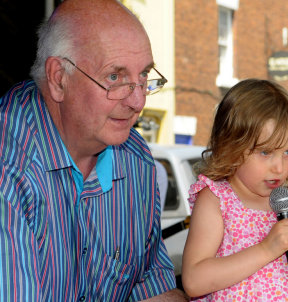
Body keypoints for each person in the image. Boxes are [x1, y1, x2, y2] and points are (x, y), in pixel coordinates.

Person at [0, 0, 188, 301]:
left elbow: (153, 288)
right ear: (59, 78)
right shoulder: (9, 166)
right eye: (115, 78)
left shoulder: (135, 157)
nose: (138, 102)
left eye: (143, 77)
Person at [181, 79, 288, 301]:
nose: (279, 167)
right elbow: (194, 282)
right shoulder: (217, 200)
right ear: (231, 146)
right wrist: (266, 249)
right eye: (265, 152)